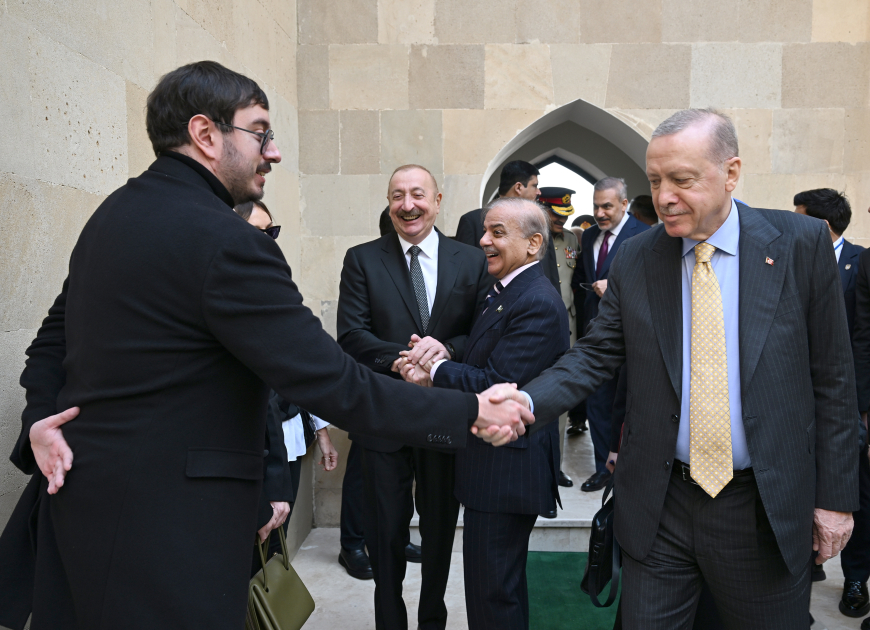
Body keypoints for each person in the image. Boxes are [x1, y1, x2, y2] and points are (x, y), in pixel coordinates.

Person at [0, 61, 530, 630]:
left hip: (78, 517)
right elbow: (330, 379)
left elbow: (50, 343)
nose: (273, 152)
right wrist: (470, 408)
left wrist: (40, 419)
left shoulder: (110, 215)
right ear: (206, 135)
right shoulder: (228, 242)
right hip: (171, 541)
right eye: (261, 132)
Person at [486, 108, 859, 629]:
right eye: (656, 180)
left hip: (762, 507)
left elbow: (835, 381)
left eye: (682, 180)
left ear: (731, 173)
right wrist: (526, 402)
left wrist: (836, 500)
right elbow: (595, 354)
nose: (663, 197)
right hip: (661, 505)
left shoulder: (799, 244)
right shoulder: (639, 258)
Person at [399, 197, 567, 630]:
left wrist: (433, 369)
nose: (483, 240)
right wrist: (443, 352)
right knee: (493, 591)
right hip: (490, 469)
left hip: (507, 472)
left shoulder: (536, 301)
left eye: (497, 232)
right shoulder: (504, 292)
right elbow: (479, 361)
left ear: (533, 244)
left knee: (494, 597)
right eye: (485, 230)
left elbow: (497, 386)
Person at [336, 164, 491, 630]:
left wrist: (444, 351)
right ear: (389, 203)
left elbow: (480, 335)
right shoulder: (362, 259)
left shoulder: (471, 260)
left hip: (443, 415)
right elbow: (352, 335)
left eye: (418, 194)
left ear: (438, 201)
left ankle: (432, 619)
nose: (408, 205)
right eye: (398, 195)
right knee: (385, 533)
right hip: (384, 414)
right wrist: (408, 358)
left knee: (441, 530)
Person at [571, 177, 649, 492]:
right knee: (598, 403)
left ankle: (629, 469)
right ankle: (604, 468)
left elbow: (654, 289)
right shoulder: (588, 235)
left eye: (607, 206)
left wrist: (616, 290)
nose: (600, 213)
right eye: (596, 206)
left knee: (629, 405)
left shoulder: (645, 235)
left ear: (624, 205)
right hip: (595, 336)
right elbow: (580, 282)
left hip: (633, 338)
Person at [539, 186, 582, 491]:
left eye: (565, 216)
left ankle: (555, 467)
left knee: (562, 398)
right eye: (556, 215)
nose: (561, 222)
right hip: (536, 327)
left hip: (567, 328)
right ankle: (535, 465)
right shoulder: (531, 237)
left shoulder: (570, 240)